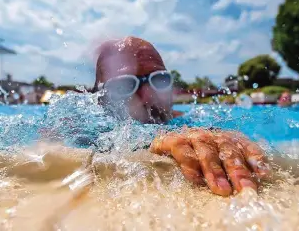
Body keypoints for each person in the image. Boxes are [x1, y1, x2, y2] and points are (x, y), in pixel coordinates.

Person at [93, 36, 270, 196]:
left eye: (159, 79)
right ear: (101, 99)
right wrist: (155, 139)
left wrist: (227, 137)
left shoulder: (191, 120)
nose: (148, 96)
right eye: (124, 85)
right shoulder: (86, 124)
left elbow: (209, 132)